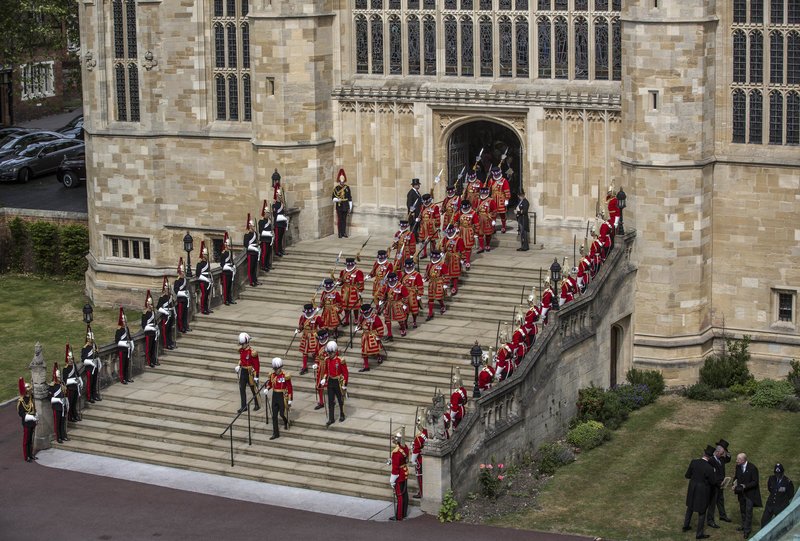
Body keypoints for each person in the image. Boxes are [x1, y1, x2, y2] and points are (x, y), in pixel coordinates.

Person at [683, 445, 716, 539]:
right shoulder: (709, 468)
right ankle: (699, 534)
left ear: (704, 453)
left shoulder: (694, 462)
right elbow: (713, 482)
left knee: (690, 507)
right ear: (710, 457)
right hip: (702, 492)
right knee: (702, 512)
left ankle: (686, 525)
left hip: (692, 489)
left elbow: (687, 475)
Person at [733, 452, 762, 538]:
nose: (736, 461)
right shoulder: (738, 467)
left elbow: (755, 482)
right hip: (741, 493)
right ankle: (743, 525)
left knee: (748, 511)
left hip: (750, 494)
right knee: (742, 510)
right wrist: (733, 484)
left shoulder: (752, 468)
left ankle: (747, 530)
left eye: (738, 459)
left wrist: (745, 486)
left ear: (743, 460)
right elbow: (736, 477)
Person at [319, 341, 348, 426]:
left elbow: (345, 373)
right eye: (328, 352)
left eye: (331, 352)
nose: (329, 354)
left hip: (338, 381)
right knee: (330, 400)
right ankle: (331, 418)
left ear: (335, 351)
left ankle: (342, 414)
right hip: (331, 381)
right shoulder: (327, 360)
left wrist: (344, 384)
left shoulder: (340, 360)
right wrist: (324, 379)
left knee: (340, 399)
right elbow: (326, 372)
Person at [266, 357, 292, 440]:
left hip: (282, 395)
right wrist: (267, 388)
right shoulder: (272, 375)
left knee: (282, 413)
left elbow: (289, 387)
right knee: (274, 415)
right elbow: (270, 383)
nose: (276, 370)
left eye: (277, 368)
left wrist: (290, 398)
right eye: (275, 369)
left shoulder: (285, 375)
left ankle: (285, 421)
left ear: (280, 367)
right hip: (275, 395)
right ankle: (275, 433)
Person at [378, 272, 410, 339]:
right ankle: (389, 334)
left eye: (393, 281)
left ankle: (403, 329)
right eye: (390, 281)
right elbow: (383, 295)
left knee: (400, 319)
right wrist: (381, 300)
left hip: (398, 304)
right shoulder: (386, 286)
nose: (391, 283)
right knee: (387, 319)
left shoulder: (401, 287)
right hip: (389, 304)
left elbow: (406, 296)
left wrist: (404, 304)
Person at [235, 332, 261, 413]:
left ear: (247, 342)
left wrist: (256, 376)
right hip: (243, 371)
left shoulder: (252, 352)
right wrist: (239, 365)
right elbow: (241, 360)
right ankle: (243, 406)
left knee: (253, 389)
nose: (242, 346)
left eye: (243, 344)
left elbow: (257, 365)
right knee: (241, 388)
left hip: (250, 372)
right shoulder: (242, 351)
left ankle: (257, 404)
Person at [389, 429, 410, 521]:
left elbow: (395, 468)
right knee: (405, 493)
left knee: (399, 495)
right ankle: (404, 513)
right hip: (404, 472)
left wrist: (392, 480)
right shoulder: (405, 447)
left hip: (399, 475)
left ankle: (399, 516)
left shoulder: (396, 452)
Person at [357, 303, 384, 372]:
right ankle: (366, 366)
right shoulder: (362, 317)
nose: (365, 315)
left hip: (373, 335)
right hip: (365, 336)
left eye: (366, 313)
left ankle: (379, 356)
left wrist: (380, 335)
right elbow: (360, 325)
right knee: (364, 351)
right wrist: (358, 327)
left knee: (375, 348)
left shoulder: (375, 317)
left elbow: (380, 326)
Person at [711, 439, 733, 524]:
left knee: (720, 500)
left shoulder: (722, 459)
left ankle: (723, 516)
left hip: (721, 483)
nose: (724, 453)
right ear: (719, 451)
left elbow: (728, 459)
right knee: (712, 503)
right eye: (723, 451)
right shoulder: (712, 460)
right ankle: (711, 520)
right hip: (714, 484)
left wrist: (727, 452)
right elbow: (712, 473)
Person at [296, 303, 322, 376]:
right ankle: (304, 367)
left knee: (315, 351)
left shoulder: (316, 317)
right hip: (305, 336)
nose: (308, 313)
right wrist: (298, 330)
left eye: (309, 312)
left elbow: (321, 326)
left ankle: (317, 364)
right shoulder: (302, 317)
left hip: (314, 336)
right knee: (305, 352)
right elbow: (301, 326)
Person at [338, 257, 364, 326]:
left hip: (354, 291)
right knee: (345, 306)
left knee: (355, 306)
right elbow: (341, 281)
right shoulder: (343, 272)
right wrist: (339, 282)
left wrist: (360, 290)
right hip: (345, 290)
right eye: (348, 265)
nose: (349, 266)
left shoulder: (358, 272)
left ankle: (356, 319)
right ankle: (346, 319)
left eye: (350, 265)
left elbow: (361, 282)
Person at [423, 250, 448, 321]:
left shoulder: (442, 264)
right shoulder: (429, 265)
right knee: (431, 298)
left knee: (439, 297)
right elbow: (427, 274)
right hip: (431, 283)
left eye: (435, 257)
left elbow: (446, 275)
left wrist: (445, 284)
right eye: (433, 257)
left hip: (439, 282)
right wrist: (425, 279)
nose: (434, 259)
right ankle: (430, 313)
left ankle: (442, 305)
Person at [441, 223, 465, 295]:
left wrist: (463, 259)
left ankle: (455, 286)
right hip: (447, 257)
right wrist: (442, 252)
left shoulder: (459, 239)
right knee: (447, 271)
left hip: (455, 257)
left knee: (454, 272)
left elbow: (462, 250)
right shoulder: (445, 238)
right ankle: (449, 282)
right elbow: (443, 247)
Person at [399, 258, 423, 329]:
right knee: (404, 309)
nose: (408, 268)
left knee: (414, 309)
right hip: (404, 294)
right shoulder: (403, 274)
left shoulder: (417, 274)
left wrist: (419, 294)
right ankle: (405, 323)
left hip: (413, 294)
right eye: (407, 267)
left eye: (410, 266)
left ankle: (414, 321)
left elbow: (420, 285)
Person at [17, 377, 37, 462]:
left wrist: (36, 415)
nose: (30, 390)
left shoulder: (31, 398)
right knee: (26, 440)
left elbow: (33, 408)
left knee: (31, 439)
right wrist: (30, 417)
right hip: (26, 422)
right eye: (29, 389)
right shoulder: (21, 401)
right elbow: (21, 413)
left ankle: (31, 454)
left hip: (32, 421)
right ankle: (27, 456)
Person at [410, 413, 429, 499]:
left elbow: (416, 450)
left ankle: (422, 493)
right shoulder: (427, 432)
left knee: (420, 477)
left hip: (420, 460)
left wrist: (413, 460)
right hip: (426, 457)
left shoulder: (418, 437)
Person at [48, 363, 68, 443]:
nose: (60, 378)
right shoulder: (52, 386)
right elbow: (50, 398)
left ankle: (63, 435)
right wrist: (58, 400)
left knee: (63, 422)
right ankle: (58, 437)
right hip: (57, 407)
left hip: (63, 406)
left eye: (60, 376)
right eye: (58, 376)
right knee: (57, 422)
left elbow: (65, 393)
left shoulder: (62, 384)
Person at [62, 342, 82, 422]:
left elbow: (77, 374)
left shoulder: (74, 366)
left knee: (74, 403)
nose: (71, 360)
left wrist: (80, 381)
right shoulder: (65, 369)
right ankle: (70, 416)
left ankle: (75, 414)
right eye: (69, 359)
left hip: (75, 387)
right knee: (70, 403)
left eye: (71, 359)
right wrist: (72, 380)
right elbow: (65, 381)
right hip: (70, 388)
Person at [81, 325, 101, 403]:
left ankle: (94, 394)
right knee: (90, 383)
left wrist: (98, 362)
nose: (92, 341)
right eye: (91, 339)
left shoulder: (94, 345)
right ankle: (89, 396)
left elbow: (96, 355)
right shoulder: (85, 348)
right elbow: (83, 359)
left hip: (95, 366)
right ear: (88, 339)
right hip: (89, 368)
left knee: (94, 381)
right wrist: (90, 362)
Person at [417, 193, 440, 259]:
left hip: (431, 226)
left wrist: (437, 225)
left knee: (432, 240)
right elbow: (421, 214)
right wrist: (419, 218)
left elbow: (437, 217)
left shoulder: (435, 207)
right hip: (423, 225)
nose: (426, 203)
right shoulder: (422, 207)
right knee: (423, 240)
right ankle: (424, 253)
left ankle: (433, 252)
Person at [312, 329, 330, 410]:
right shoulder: (318, 344)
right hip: (320, 367)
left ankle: (332, 400)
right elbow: (317, 355)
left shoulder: (330, 344)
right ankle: (321, 402)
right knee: (319, 385)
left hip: (329, 366)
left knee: (330, 385)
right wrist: (316, 363)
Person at [476, 186, 498, 253]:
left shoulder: (491, 201)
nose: (483, 195)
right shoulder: (478, 200)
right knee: (480, 233)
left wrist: (493, 219)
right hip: (479, 219)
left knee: (488, 233)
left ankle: (487, 245)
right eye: (482, 193)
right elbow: (475, 209)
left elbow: (494, 211)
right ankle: (481, 247)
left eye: (484, 194)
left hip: (488, 219)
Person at [157, 276, 177, 350]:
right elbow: (158, 308)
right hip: (165, 316)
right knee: (165, 330)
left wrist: (175, 313)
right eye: (167, 289)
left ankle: (170, 342)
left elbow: (173, 305)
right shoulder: (162, 298)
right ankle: (166, 344)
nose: (168, 290)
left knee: (169, 330)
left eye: (169, 289)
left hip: (171, 314)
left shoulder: (170, 296)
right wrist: (165, 312)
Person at [489, 166, 510, 233]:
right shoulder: (491, 180)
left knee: (502, 214)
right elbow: (488, 190)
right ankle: (493, 227)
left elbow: (507, 190)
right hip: (493, 199)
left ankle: (503, 226)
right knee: (493, 215)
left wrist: (507, 199)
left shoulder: (504, 180)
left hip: (501, 199)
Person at [116, 307, 134, 382]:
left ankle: (127, 377)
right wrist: (125, 344)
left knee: (127, 364)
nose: (125, 322)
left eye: (125, 321)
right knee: (122, 365)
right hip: (122, 349)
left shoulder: (127, 329)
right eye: (124, 321)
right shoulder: (119, 330)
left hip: (127, 349)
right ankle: (122, 378)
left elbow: (129, 337)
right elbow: (117, 341)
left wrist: (132, 343)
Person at [332, 168, 353, 238]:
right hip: (339, 205)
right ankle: (340, 233)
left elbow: (349, 197)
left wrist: (350, 207)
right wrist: (337, 200)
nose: (342, 183)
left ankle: (344, 233)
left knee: (344, 220)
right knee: (340, 220)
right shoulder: (336, 188)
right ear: (339, 181)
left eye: (343, 181)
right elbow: (333, 198)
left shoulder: (347, 188)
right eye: (341, 181)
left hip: (345, 205)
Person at [173, 258, 191, 333]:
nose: (184, 273)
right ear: (180, 272)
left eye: (184, 271)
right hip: (180, 300)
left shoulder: (185, 280)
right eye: (182, 272)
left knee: (185, 314)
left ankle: (185, 326)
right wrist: (184, 293)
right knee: (180, 315)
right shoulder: (177, 281)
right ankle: (181, 328)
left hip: (185, 299)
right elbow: (176, 291)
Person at [142, 292, 159, 368]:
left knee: (153, 347)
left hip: (154, 332)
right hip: (148, 333)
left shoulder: (153, 312)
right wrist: (151, 328)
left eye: (151, 305)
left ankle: (154, 360)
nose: (150, 306)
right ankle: (149, 362)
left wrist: (157, 328)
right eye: (149, 305)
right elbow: (144, 325)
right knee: (149, 348)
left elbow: (155, 321)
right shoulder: (145, 314)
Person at [243, 213, 261, 286]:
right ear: (250, 226)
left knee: (254, 268)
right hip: (250, 253)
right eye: (253, 226)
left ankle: (255, 280)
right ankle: (251, 282)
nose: (254, 227)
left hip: (255, 253)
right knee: (250, 268)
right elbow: (246, 245)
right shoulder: (247, 235)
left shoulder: (255, 234)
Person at [196, 241, 213, 315]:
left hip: (208, 281)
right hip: (203, 282)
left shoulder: (207, 263)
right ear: (203, 255)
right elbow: (198, 275)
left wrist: (210, 279)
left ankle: (207, 308)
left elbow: (209, 272)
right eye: (205, 255)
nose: (207, 256)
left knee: (207, 295)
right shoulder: (199, 264)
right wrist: (206, 279)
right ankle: (203, 309)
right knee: (204, 295)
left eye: (207, 254)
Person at [220, 232, 236, 304]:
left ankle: (230, 299)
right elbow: (222, 264)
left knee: (230, 287)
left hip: (230, 272)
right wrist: (229, 268)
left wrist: (233, 266)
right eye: (228, 245)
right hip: (226, 272)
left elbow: (231, 261)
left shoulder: (230, 252)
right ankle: (225, 300)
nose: (229, 247)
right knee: (226, 287)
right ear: (226, 245)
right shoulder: (223, 254)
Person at [258, 200, 274, 272]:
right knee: (264, 253)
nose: (269, 214)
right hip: (264, 240)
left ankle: (267, 265)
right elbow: (261, 231)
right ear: (264, 213)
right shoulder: (261, 222)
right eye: (267, 213)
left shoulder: (269, 221)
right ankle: (263, 266)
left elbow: (271, 229)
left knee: (268, 253)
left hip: (269, 239)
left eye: (269, 213)